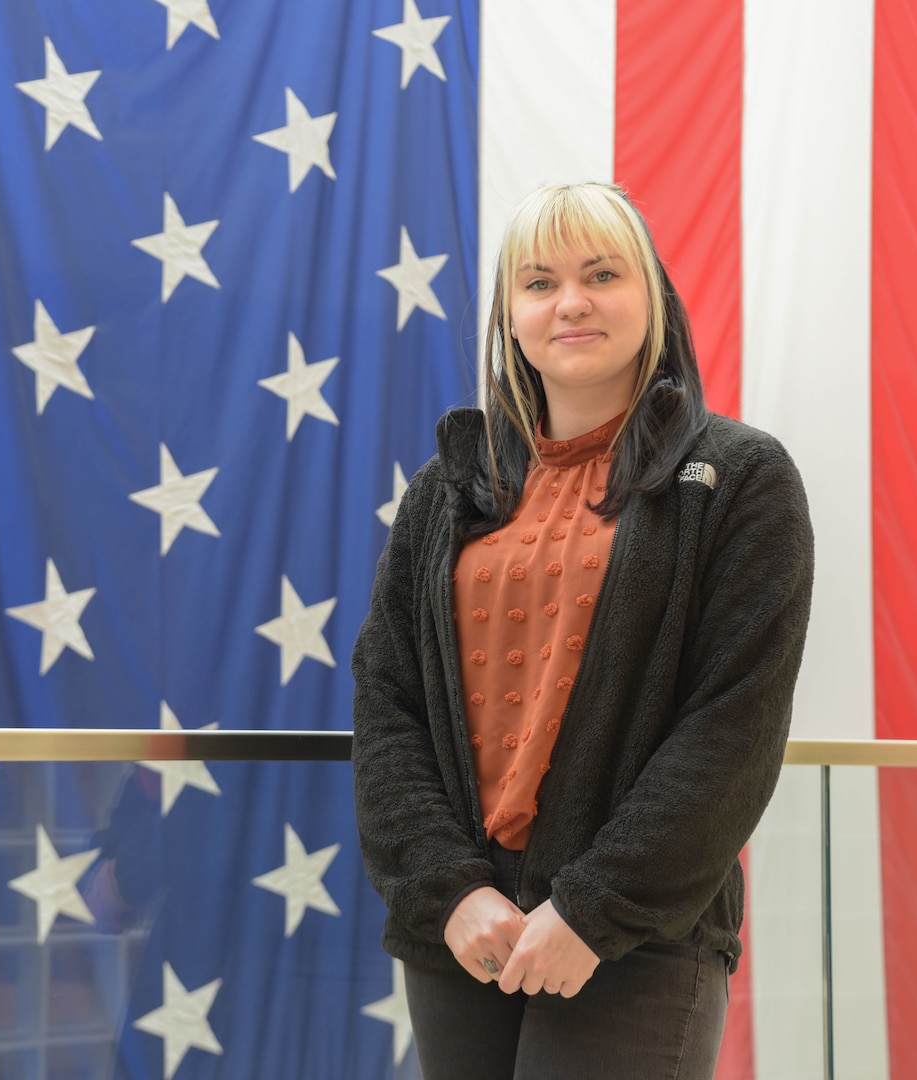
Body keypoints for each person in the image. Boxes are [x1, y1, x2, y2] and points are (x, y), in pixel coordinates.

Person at [350, 182, 814, 1079]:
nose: (570, 302)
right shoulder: (443, 492)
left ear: (652, 297)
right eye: (537, 282)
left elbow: (733, 726)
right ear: (509, 317)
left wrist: (593, 909)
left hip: (639, 934)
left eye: (602, 273)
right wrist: (449, 890)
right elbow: (388, 703)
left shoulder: (742, 478)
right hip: (461, 930)